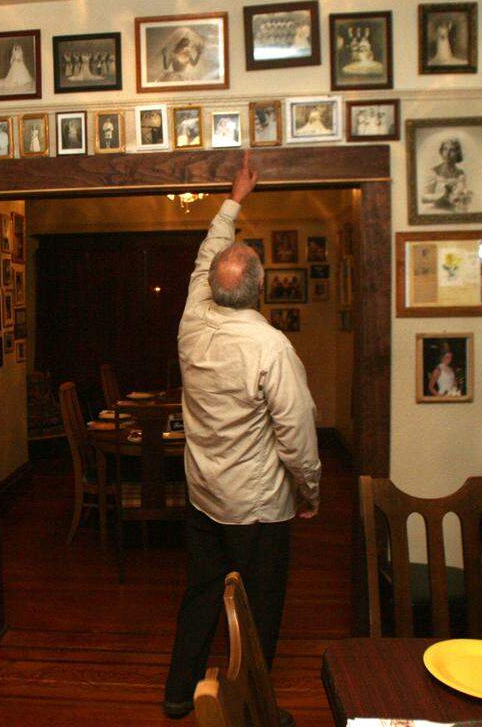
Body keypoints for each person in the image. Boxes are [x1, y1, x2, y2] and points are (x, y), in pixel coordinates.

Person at [164, 153, 321, 725]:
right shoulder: (270, 346)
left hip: (204, 496)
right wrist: (310, 492)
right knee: (259, 611)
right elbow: (298, 436)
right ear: (260, 290)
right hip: (257, 508)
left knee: (202, 592)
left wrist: (234, 199)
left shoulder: (191, 319)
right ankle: (255, 709)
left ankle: (179, 694)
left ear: (212, 288)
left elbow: (209, 254)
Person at [421, 138, 472, 212]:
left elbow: (462, 195)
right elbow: (424, 198)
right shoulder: (433, 172)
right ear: (441, 152)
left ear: (457, 153)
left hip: (456, 212)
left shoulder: (461, 173)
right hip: (437, 211)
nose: (447, 153)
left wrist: (465, 196)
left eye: (452, 150)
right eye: (445, 149)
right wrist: (443, 195)